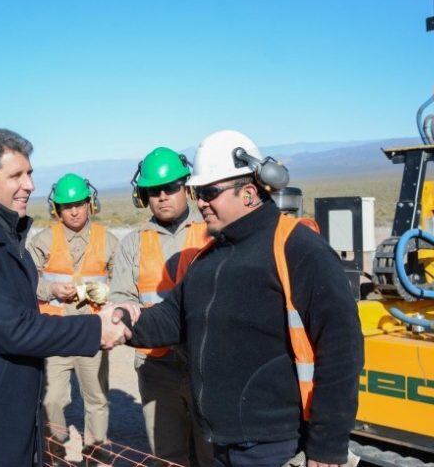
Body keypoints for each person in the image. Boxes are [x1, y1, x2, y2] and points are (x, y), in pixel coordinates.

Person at [125, 130, 364, 467]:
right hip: (220, 443)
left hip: (275, 446)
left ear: (249, 192)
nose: (201, 203)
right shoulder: (207, 259)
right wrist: (116, 323)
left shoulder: (297, 248)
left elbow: (342, 350)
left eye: (209, 192)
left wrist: (327, 446)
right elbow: (170, 319)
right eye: (197, 193)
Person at [0, 127, 132, 467]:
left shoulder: (1, 234)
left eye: (29, 173)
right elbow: (14, 329)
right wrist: (96, 329)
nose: (29, 185)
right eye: (16, 175)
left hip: (2, 419)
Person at [109, 147, 212, 466]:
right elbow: (122, 298)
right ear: (143, 197)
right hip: (156, 366)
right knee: (168, 455)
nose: (163, 196)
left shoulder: (212, 231)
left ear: (188, 188)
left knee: (212, 453)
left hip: (206, 362)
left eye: (171, 188)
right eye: (154, 191)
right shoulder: (133, 243)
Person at [27, 173, 118, 463]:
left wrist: (107, 293)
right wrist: (50, 288)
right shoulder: (42, 241)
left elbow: (125, 285)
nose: (75, 211)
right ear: (57, 210)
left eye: (79, 204)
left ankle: (95, 454)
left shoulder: (109, 241)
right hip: (54, 333)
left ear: (90, 204)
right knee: (51, 399)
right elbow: (24, 281)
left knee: (96, 400)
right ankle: (56, 452)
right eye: (67, 206)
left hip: (93, 333)